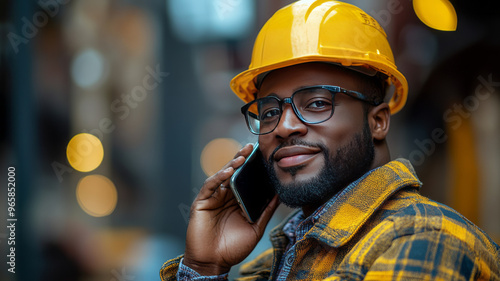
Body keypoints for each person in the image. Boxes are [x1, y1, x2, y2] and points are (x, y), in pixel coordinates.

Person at [160, 0, 500, 280]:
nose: (284, 126)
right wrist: (203, 268)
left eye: (318, 103)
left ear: (378, 121)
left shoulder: (426, 240)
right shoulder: (267, 266)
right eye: (268, 112)